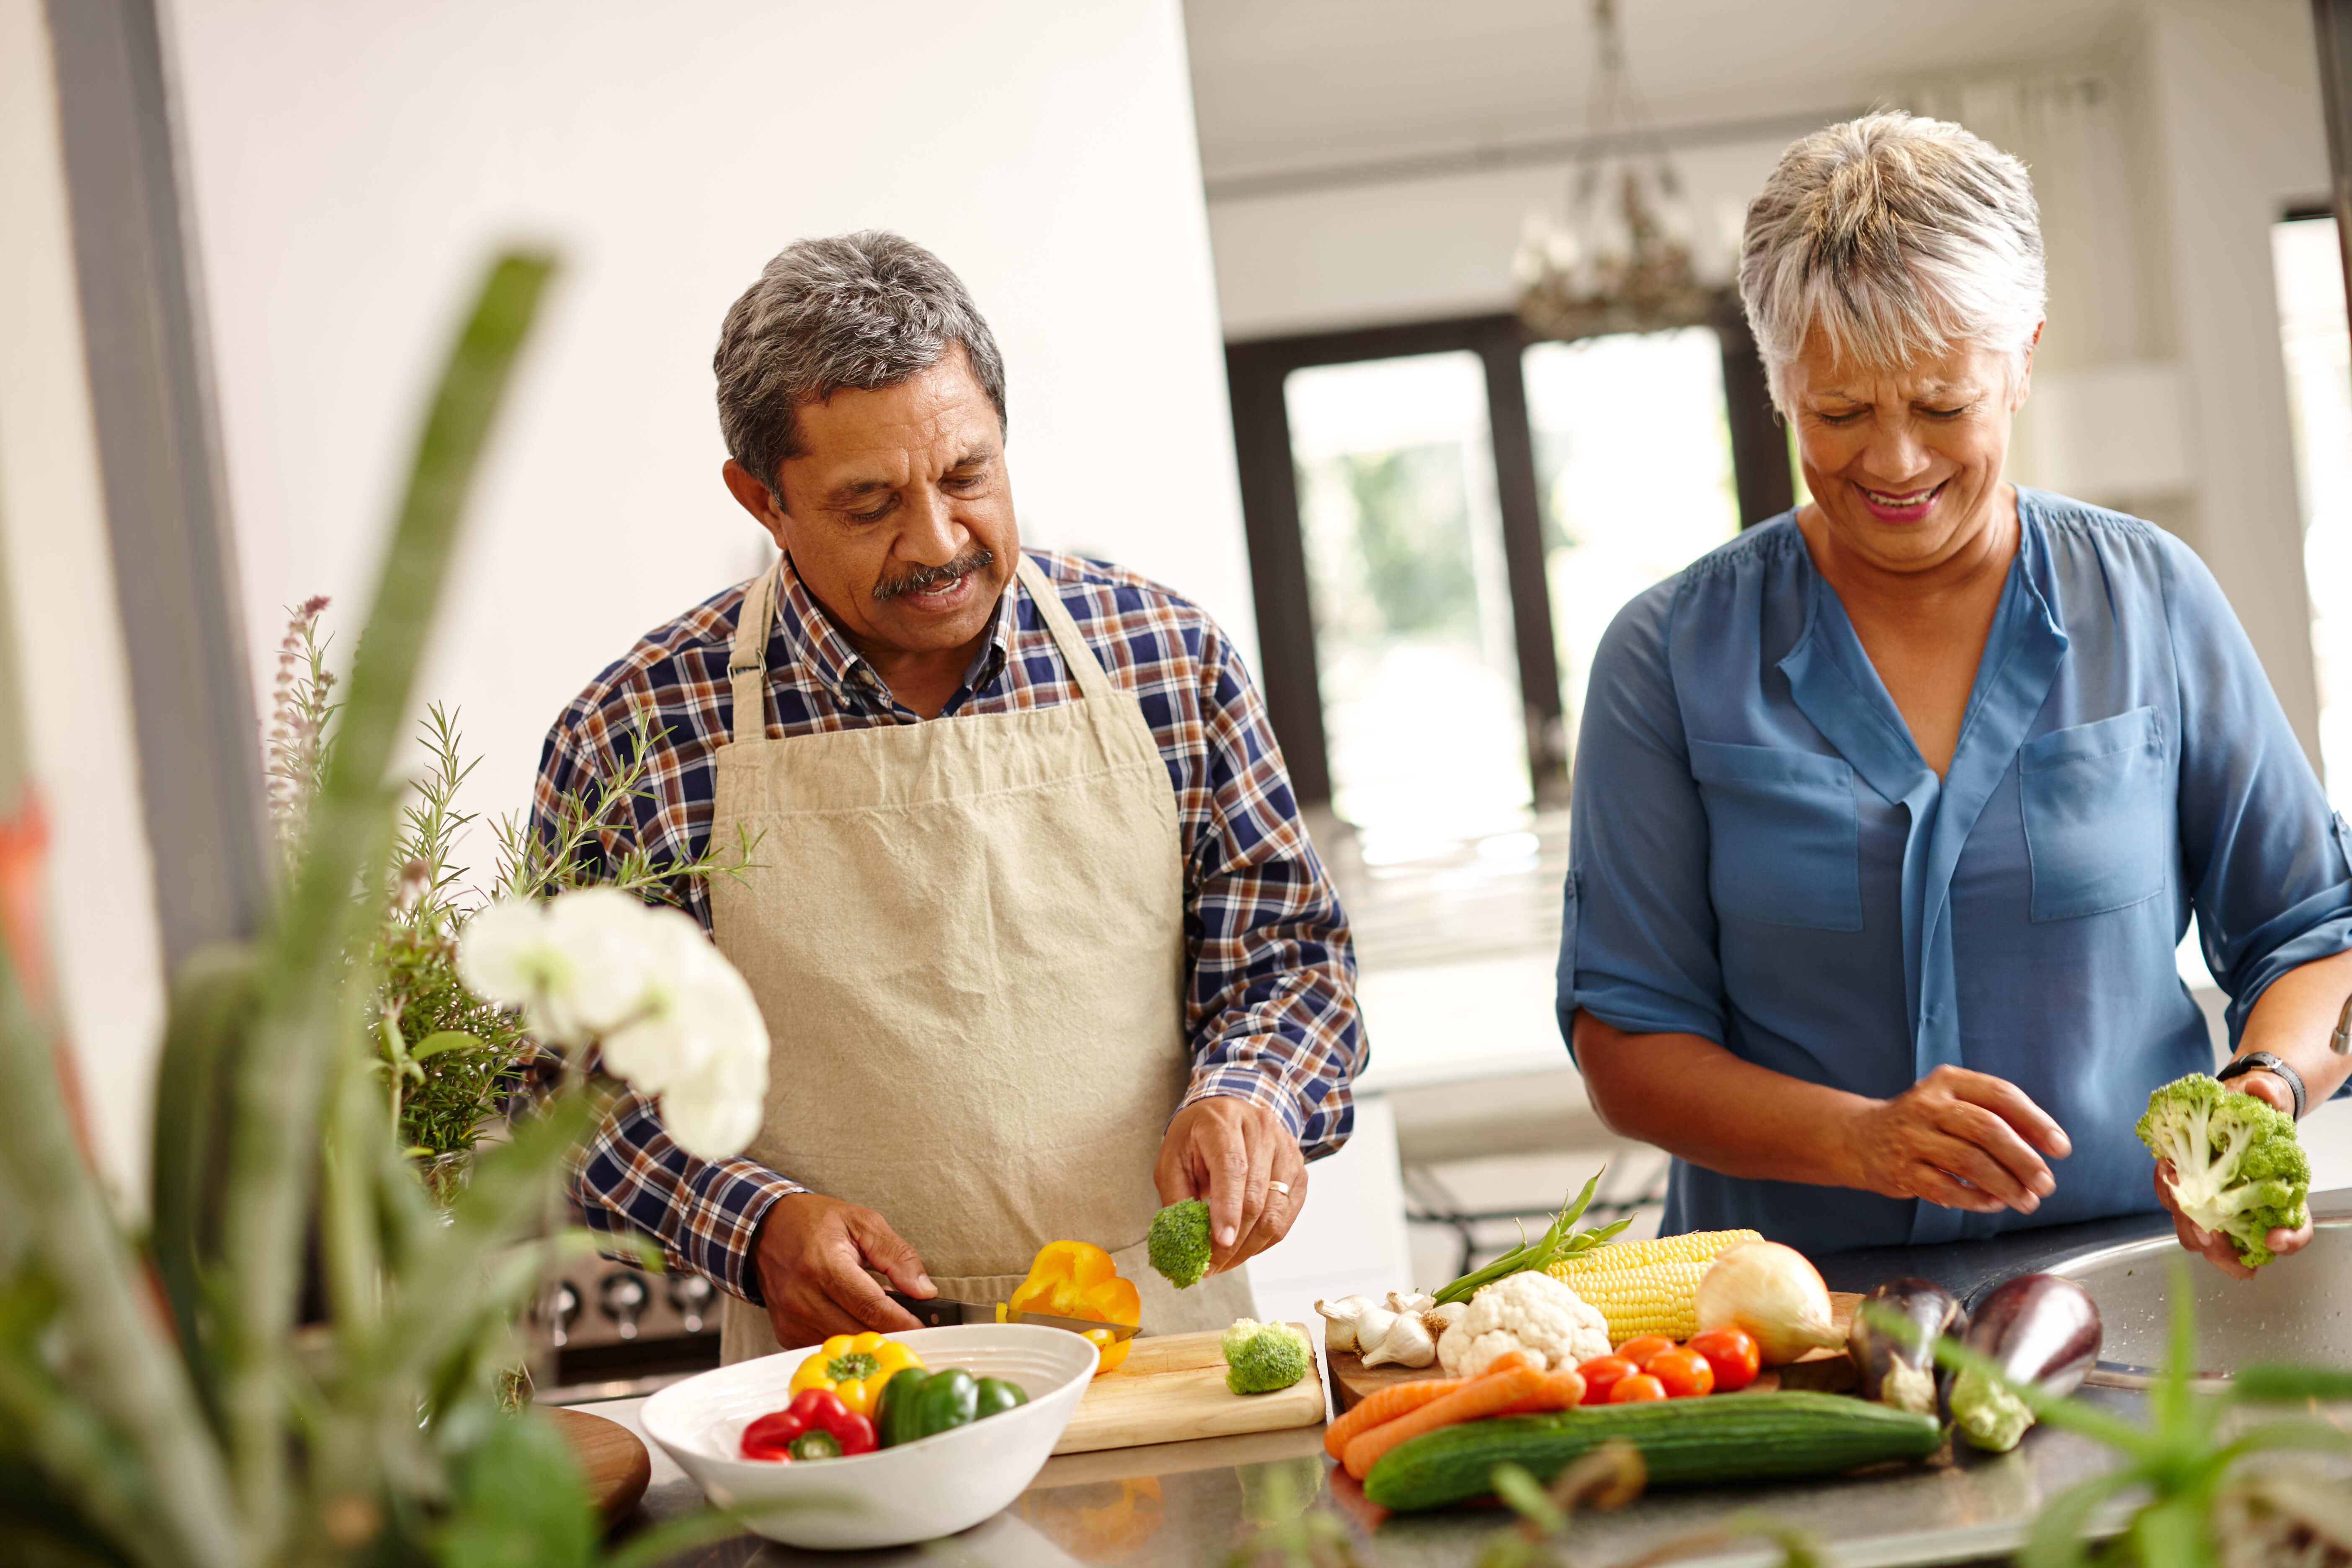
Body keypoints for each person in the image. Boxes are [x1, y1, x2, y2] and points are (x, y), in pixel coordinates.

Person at [536, 232, 1362, 1357]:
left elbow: (1291, 965)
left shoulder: (1168, 659)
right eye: (869, 503)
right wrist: (756, 1227)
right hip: (840, 1379)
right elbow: (576, 1093)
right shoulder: (630, 736)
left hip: (1158, 1343)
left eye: (968, 475)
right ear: (762, 499)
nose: (938, 543)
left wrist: (1252, 1093)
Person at [1559, 113, 2352, 1275]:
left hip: (2125, 1282)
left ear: (2023, 358)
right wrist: (1862, 1143)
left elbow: (2316, 937)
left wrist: (2264, 1089)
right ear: (1778, 383)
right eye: (1838, 413)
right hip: (1791, 1320)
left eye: (1941, 406)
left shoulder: (2153, 599)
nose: (1893, 463)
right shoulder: (1666, 656)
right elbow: (1627, 1044)